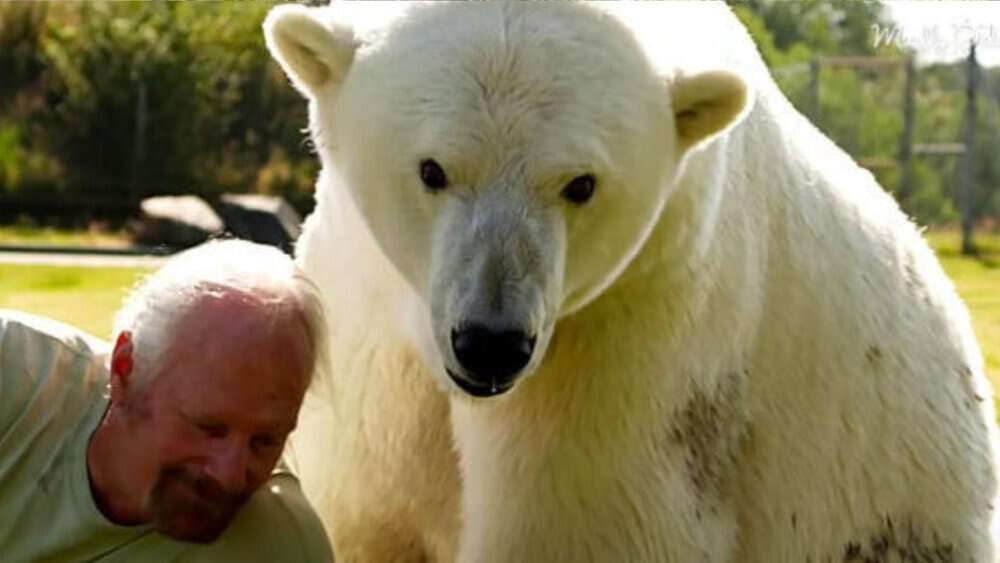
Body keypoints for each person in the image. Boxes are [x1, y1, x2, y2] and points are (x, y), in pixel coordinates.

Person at [0, 239, 335, 562]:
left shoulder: (281, 548)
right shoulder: (14, 377)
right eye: (209, 428)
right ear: (124, 369)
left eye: (265, 441)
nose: (230, 475)